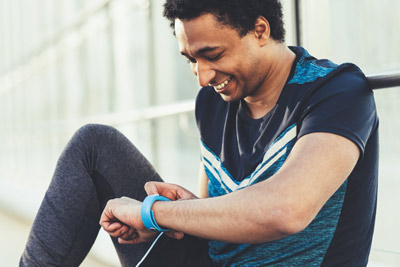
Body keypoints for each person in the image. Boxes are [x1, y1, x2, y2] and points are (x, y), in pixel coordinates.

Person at [20, 0, 379, 266]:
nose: (204, 76)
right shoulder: (214, 103)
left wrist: (153, 214)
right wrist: (182, 213)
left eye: (213, 54)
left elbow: (286, 209)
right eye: (191, 60)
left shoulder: (338, 92)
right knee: (93, 144)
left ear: (260, 30)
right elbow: (215, 220)